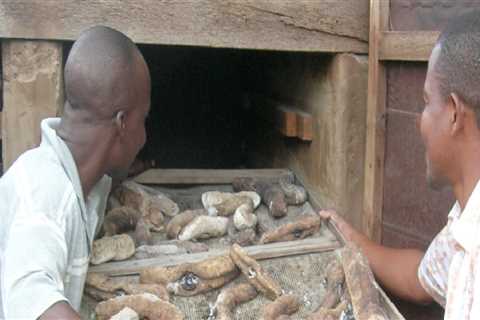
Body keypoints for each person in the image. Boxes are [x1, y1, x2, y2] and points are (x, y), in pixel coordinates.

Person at [320, 11, 480, 319]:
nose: (420, 121)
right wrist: (350, 237)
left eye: (425, 101)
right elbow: (420, 278)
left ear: (455, 115)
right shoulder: (466, 221)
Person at [0, 26, 151, 319]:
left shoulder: (81, 176)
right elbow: (28, 294)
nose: (144, 137)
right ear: (121, 123)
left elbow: (106, 175)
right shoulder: (47, 197)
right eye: (143, 120)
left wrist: (124, 165)